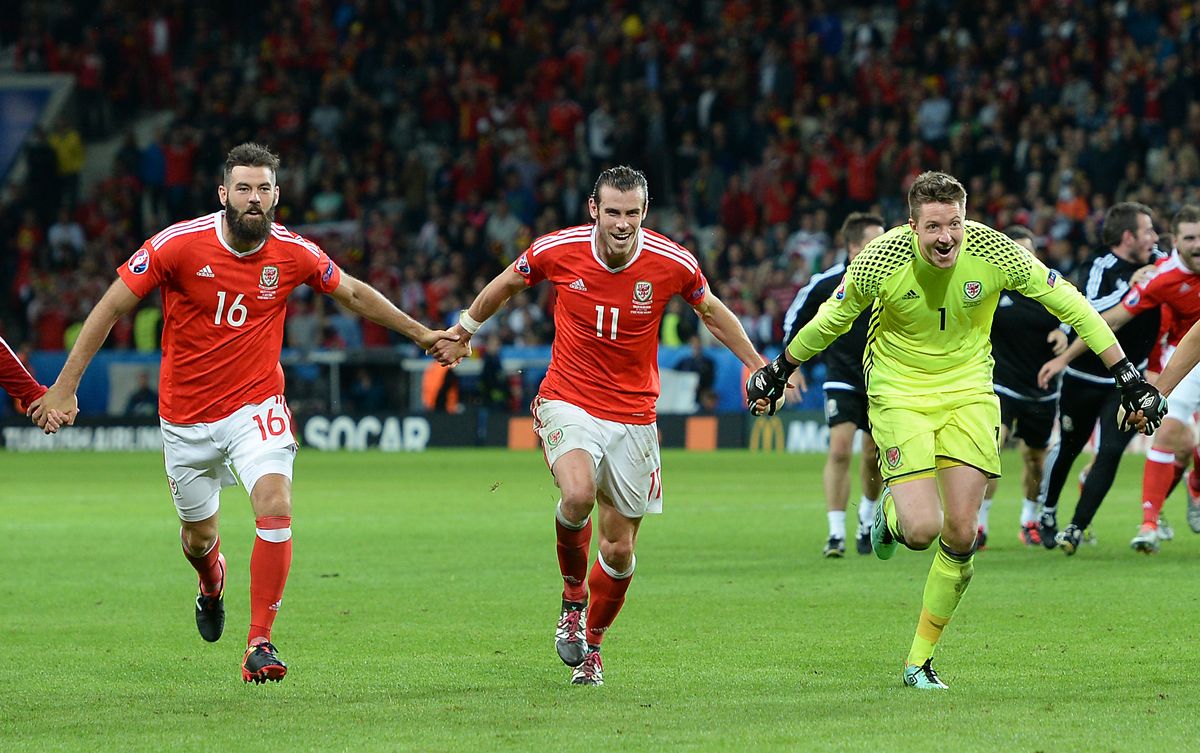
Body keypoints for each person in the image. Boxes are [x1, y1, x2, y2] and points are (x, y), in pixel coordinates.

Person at [31, 143, 455, 684]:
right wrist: (65, 388)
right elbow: (113, 304)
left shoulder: (294, 252)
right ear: (223, 194)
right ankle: (212, 582)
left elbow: (351, 292)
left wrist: (423, 335)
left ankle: (260, 642)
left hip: (255, 405)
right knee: (198, 540)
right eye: (243, 189)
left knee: (275, 502)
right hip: (185, 418)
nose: (253, 199)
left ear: (276, 195)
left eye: (263, 189)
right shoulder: (178, 246)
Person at [745, 172, 1162, 690]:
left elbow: (1072, 304)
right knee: (922, 531)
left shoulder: (994, 249)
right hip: (899, 390)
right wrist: (780, 368)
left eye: (955, 224)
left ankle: (919, 662)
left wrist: (1128, 375)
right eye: (934, 227)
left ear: (967, 220)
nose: (946, 238)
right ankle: (892, 518)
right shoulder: (880, 259)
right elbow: (831, 319)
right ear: (912, 226)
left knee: (962, 534)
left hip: (968, 392)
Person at [428, 166, 770, 686]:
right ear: (594, 209)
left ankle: (591, 645)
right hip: (569, 399)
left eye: (632, 213)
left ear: (644, 213)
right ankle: (571, 598)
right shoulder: (557, 249)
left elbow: (713, 312)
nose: (622, 223)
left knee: (619, 550)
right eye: (612, 211)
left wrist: (754, 363)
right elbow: (505, 285)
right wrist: (465, 329)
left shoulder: (672, 262)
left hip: (634, 417)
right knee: (578, 493)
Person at [1039, 205, 1200, 553]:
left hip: (1133, 375)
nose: (1155, 239)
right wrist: (1065, 358)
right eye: (1189, 237)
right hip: (1096, 376)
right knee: (1072, 446)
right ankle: (1049, 513)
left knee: (1119, 450)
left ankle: (1081, 527)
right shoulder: (1126, 270)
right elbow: (1098, 316)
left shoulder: (1156, 264)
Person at [781, 212, 885, 557]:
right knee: (840, 449)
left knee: (873, 455)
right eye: (875, 241)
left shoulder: (895, 279)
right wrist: (792, 368)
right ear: (855, 247)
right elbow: (796, 318)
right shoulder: (827, 282)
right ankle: (836, 533)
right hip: (841, 374)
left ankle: (867, 520)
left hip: (884, 379)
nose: (885, 247)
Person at [981, 226, 1068, 548]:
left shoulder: (1049, 285)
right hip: (1000, 383)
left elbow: (1076, 311)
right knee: (991, 449)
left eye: (1027, 252)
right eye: (1015, 252)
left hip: (1042, 387)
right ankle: (979, 524)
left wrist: (1063, 331)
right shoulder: (990, 288)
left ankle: (1029, 519)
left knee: (1035, 458)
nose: (1022, 258)